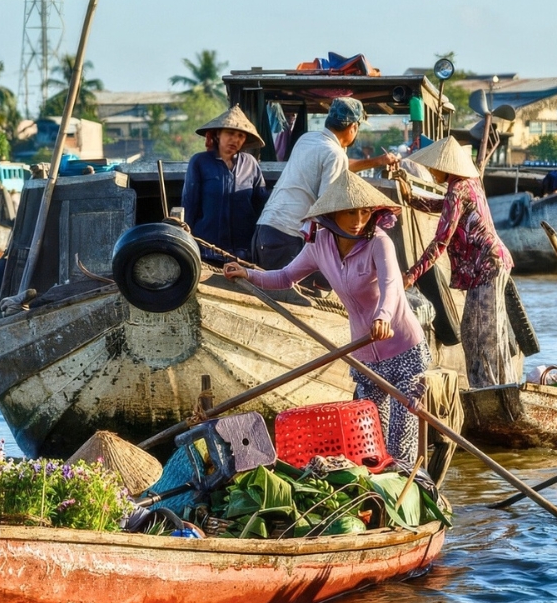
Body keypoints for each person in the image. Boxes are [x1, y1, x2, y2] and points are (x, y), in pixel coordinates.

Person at [224, 174, 429, 470]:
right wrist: (248, 274)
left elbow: (392, 287)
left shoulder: (379, 243)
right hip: (363, 354)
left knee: (400, 443)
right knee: (371, 440)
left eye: (365, 211)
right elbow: (285, 276)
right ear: (332, 214)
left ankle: (409, 489)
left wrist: (382, 318)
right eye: (350, 212)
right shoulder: (319, 243)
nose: (359, 219)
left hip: (402, 348)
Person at [400, 136, 521, 387]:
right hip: (489, 266)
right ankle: (492, 387)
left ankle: (490, 390)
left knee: (481, 335)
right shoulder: (468, 183)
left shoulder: (458, 189)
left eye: (435, 167)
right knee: (478, 332)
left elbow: (441, 241)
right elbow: (443, 206)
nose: (432, 172)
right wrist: (411, 198)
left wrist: (412, 274)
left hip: (488, 266)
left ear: (446, 167)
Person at [251, 97, 399, 269]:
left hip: (265, 229)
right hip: (288, 236)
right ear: (354, 127)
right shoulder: (335, 154)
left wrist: (379, 161)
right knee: (283, 292)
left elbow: (339, 164)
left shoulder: (307, 139)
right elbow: (327, 207)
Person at [182, 105, 267, 262]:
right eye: (230, 133)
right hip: (207, 251)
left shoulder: (250, 163)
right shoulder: (200, 162)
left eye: (241, 136)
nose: (235, 139)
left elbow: (261, 205)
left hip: (243, 254)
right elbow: (189, 205)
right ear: (217, 135)